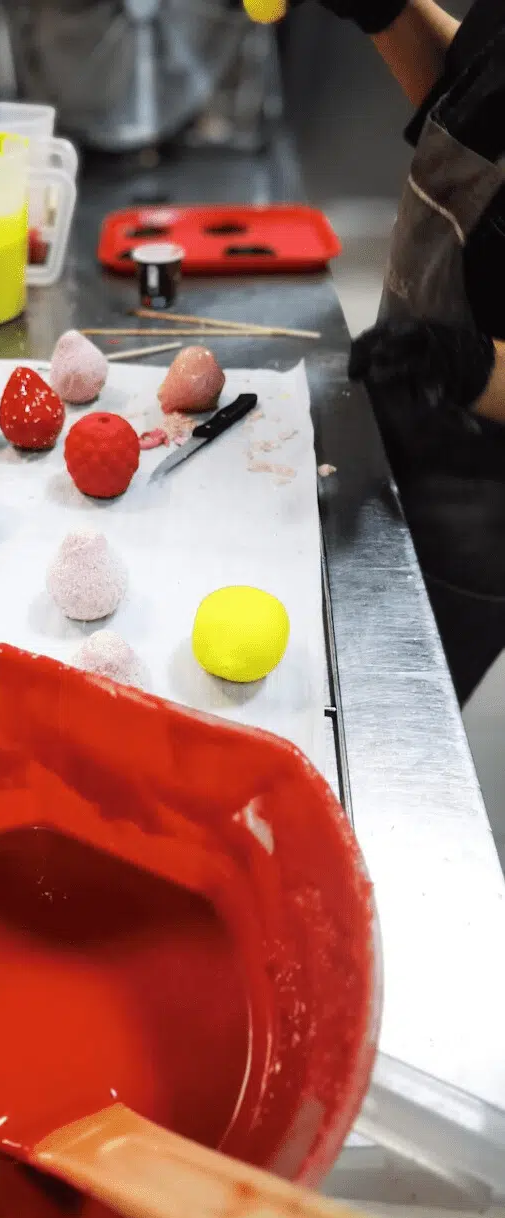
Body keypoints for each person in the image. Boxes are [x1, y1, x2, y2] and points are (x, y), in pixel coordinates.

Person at [296, 0, 505, 704]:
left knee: (370, 711)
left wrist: (465, 365)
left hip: (475, 504)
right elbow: (478, 99)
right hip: (398, 422)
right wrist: (388, 12)